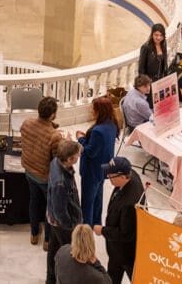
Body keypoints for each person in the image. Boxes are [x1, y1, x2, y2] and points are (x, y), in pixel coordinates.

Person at [21, 96, 63, 250]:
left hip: (29, 170)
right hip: (45, 177)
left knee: (33, 202)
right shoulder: (54, 136)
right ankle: (47, 240)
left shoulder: (26, 124)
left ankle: (33, 234)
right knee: (49, 208)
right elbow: (57, 158)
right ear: (52, 114)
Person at [93, 157, 144, 283]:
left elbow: (125, 234)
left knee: (121, 276)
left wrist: (103, 230)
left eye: (111, 175)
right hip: (119, 250)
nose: (108, 176)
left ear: (122, 177)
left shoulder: (129, 204)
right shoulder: (132, 175)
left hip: (123, 253)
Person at [76, 97, 118, 226]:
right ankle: (96, 222)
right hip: (103, 168)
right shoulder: (112, 124)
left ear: (99, 111)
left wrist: (81, 139)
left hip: (92, 170)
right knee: (98, 197)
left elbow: (89, 151)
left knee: (88, 201)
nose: (91, 110)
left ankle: (86, 227)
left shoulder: (98, 131)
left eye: (93, 108)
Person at [47, 140, 83, 284]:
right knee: (69, 254)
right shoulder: (60, 182)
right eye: (77, 155)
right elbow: (60, 210)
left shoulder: (56, 161)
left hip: (54, 220)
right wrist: (70, 225)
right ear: (69, 159)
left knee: (53, 250)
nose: (79, 156)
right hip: (62, 225)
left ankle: (50, 279)